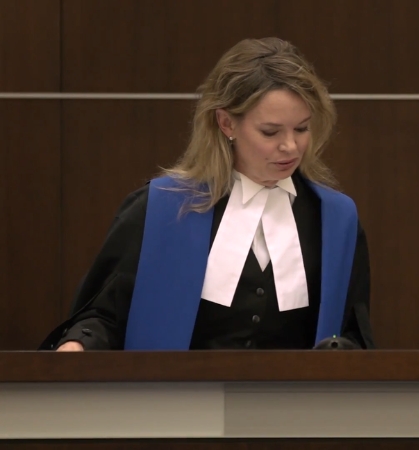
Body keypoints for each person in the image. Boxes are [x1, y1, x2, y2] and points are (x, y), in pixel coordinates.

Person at [39, 37, 375, 351]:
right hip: (177, 406)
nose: (291, 146)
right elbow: (103, 316)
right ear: (226, 124)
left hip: (294, 408)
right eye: (270, 131)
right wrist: (78, 345)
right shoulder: (162, 209)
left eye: (302, 128)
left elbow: (351, 333)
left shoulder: (334, 219)